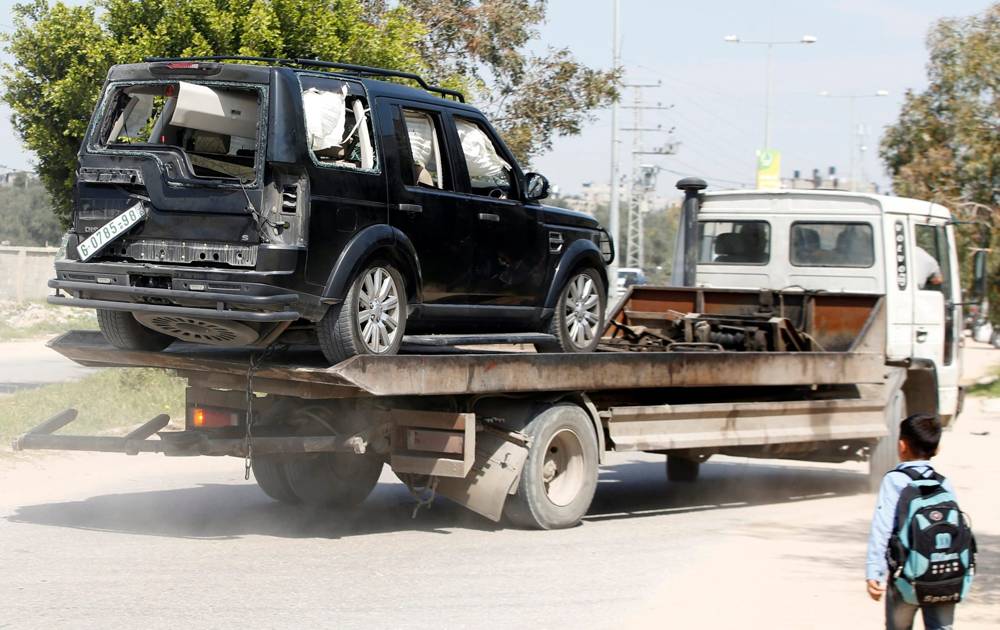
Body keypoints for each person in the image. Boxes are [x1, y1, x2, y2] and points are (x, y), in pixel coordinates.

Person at [866, 413, 956, 630]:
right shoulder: (944, 483)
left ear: (902, 445)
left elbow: (883, 527)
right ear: (937, 449)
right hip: (943, 576)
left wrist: (874, 571)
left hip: (905, 577)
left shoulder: (895, 480)